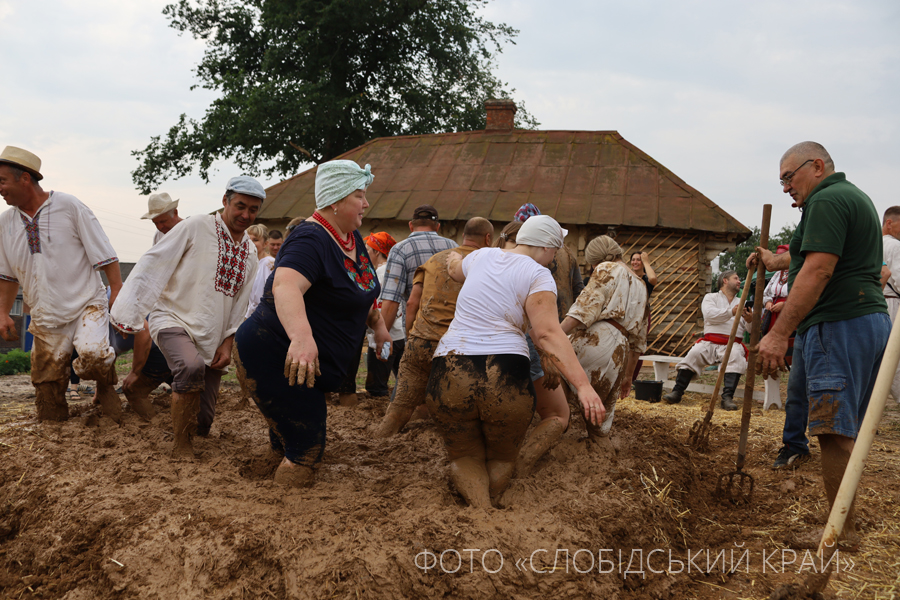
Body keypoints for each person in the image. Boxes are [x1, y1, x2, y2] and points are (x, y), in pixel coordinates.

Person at [754, 141, 889, 545]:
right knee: (848, 431)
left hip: (837, 322)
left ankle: (840, 531)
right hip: (867, 320)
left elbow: (818, 269)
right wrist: (772, 260)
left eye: (788, 178)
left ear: (816, 166)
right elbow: (807, 257)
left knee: (832, 429)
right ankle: (844, 520)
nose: (784, 188)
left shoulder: (826, 201)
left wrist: (778, 333)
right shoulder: (852, 197)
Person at [425, 215, 603, 508]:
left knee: (465, 456)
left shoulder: (482, 256)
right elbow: (545, 332)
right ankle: (493, 503)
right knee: (501, 457)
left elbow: (455, 269)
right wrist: (582, 386)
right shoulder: (538, 274)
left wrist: (456, 256)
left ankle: (479, 510)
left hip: (449, 366)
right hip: (504, 371)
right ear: (549, 248)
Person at [234, 160, 391, 488]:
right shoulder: (311, 238)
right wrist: (302, 338)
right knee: (307, 445)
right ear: (336, 200)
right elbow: (286, 286)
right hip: (274, 354)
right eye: (359, 196)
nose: (366, 203)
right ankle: (283, 512)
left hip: (301, 365)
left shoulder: (351, 238)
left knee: (288, 433)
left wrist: (377, 325)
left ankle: (273, 481)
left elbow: (359, 289)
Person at [111, 176, 264, 457]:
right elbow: (154, 262)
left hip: (213, 334)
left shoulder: (250, 252)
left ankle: (158, 402)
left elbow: (242, 302)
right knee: (190, 367)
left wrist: (227, 342)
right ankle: (181, 448)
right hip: (173, 318)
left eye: (253, 210)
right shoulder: (197, 226)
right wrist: (128, 313)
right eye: (240, 206)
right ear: (225, 202)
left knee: (203, 422)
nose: (246, 214)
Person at [0, 146, 124, 422]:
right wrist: (3, 312)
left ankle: (105, 386)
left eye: (2, 181)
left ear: (24, 179)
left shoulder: (69, 206)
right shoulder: (6, 223)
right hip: (45, 314)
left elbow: (104, 252)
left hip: (86, 304)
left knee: (93, 357)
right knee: (46, 382)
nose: (0, 188)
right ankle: (53, 427)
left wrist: (116, 289)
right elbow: (7, 275)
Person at [374, 217, 493, 437]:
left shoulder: (435, 260)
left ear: (463, 236)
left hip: (422, 342)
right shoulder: (490, 262)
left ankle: (379, 438)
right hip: (461, 348)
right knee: (466, 410)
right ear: (488, 238)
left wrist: (413, 338)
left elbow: (412, 303)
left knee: (400, 406)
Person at [559, 236, 648, 437]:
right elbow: (638, 342)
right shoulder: (641, 285)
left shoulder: (606, 269)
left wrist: (553, 334)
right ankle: (598, 457)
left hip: (597, 339)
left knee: (559, 379)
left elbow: (582, 310)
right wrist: (627, 377)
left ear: (594, 260)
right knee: (599, 417)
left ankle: (560, 435)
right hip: (621, 352)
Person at [663, 270, 751, 410]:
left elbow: (751, 330)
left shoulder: (743, 302)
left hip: (732, 343)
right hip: (709, 342)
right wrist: (731, 312)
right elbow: (710, 316)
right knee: (694, 353)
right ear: (725, 281)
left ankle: (727, 398)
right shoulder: (710, 298)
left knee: (735, 355)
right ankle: (677, 392)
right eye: (736, 278)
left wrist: (749, 320)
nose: (739, 281)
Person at [380, 205, 457, 334]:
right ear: (437, 227)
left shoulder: (400, 249)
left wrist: (381, 336)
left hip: (418, 332)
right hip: (450, 331)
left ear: (411, 225)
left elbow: (391, 300)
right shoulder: (453, 247)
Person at [363, 231, 405, 398]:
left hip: (386, 336)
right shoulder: (397, 270)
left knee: (376, 388)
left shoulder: (378, 275)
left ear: (377, 252)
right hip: (401, 334)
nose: (365, 255)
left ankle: (379, 416)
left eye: (367, 250)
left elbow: (378, 307)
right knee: (403, 382)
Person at [628, 250, 657, 381]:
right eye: (633, 259)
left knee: (637, 347)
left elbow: (653, 279)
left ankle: (631, 378)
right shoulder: (628, 276)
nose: (635, 262)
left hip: (642, 316)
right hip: (627, 314)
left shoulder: (646, 278)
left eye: (638, 259)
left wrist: (646, 262)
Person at [881, 206, 900, 403]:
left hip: (873, 303)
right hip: (892, 304)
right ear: (889, 223)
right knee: (894, 360)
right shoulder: (894, 246)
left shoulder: (870, 243)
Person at [245, 224, 274, 319]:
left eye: (255, 240)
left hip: (263, 316)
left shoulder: (269, 264)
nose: (250, 242)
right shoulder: (251, 263)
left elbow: (265, 295)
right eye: (248, 239)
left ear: (265, 244)